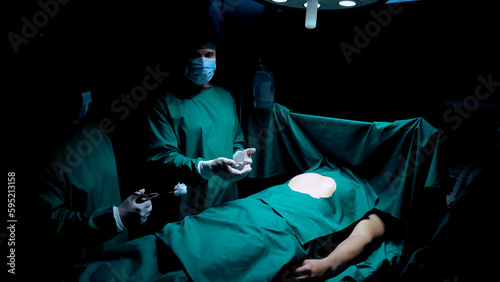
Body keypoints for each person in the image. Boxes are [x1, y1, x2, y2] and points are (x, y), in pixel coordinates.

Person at [75, 158, 393, 281]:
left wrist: (329, 264)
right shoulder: (322, 164)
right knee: (155, 249)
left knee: (195, 272)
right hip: (235, 213)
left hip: (270, 236)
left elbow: (368, 233)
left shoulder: (372, 196)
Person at [31, 84, 153, 280]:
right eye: (80, 87)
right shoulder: (45, 152)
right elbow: (51, 223)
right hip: (81, 268)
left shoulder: (96, 131)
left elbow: (107, 189)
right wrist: (115, 218)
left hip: (118, 255)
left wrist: (131, 213)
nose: (88, 94)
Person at [147, 39, 256, 219]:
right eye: (196, 56)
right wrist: (205, 167)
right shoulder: (164, 102)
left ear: (216, 58)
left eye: (208, 55)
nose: (203, 61)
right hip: (188, 204)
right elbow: (162, 156)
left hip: (226, 200)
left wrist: (240, 158)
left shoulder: (225, 97)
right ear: (184, 58)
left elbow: (236, 140)